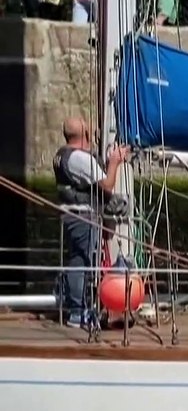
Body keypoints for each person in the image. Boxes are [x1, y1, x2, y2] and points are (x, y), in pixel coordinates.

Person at [54, 118, 130, 329]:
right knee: (82, 262)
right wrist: (114, 162)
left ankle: (75, 305)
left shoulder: (62, 156)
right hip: (83, 217)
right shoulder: (79, 159)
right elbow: (106, 184)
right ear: (85, 133)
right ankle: (77, 312)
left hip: (71, 216)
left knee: (77, 260)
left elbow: (87, 181)